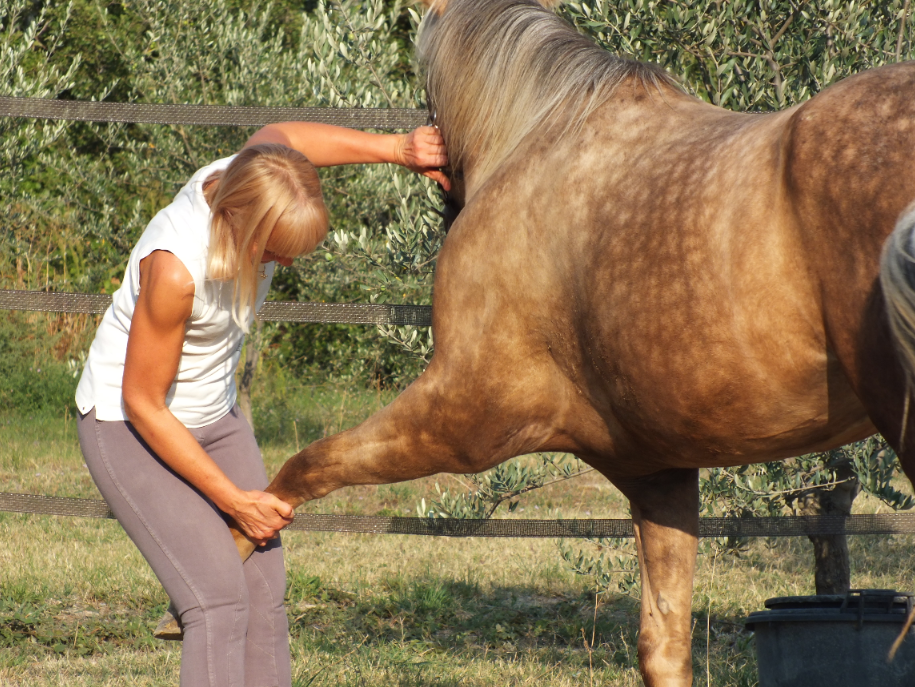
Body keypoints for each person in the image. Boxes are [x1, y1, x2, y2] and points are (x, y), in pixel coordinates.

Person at [74, 122, 449, 687]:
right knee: (217, 605)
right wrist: (234, 500)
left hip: (215, 416)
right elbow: (144, 402)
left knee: (264, 597)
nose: (287, 265)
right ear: (241, 226)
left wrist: (399, 150)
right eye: (277, 252)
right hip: (129, 425)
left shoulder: (256, 170)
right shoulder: (176, 268)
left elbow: (285, 136)